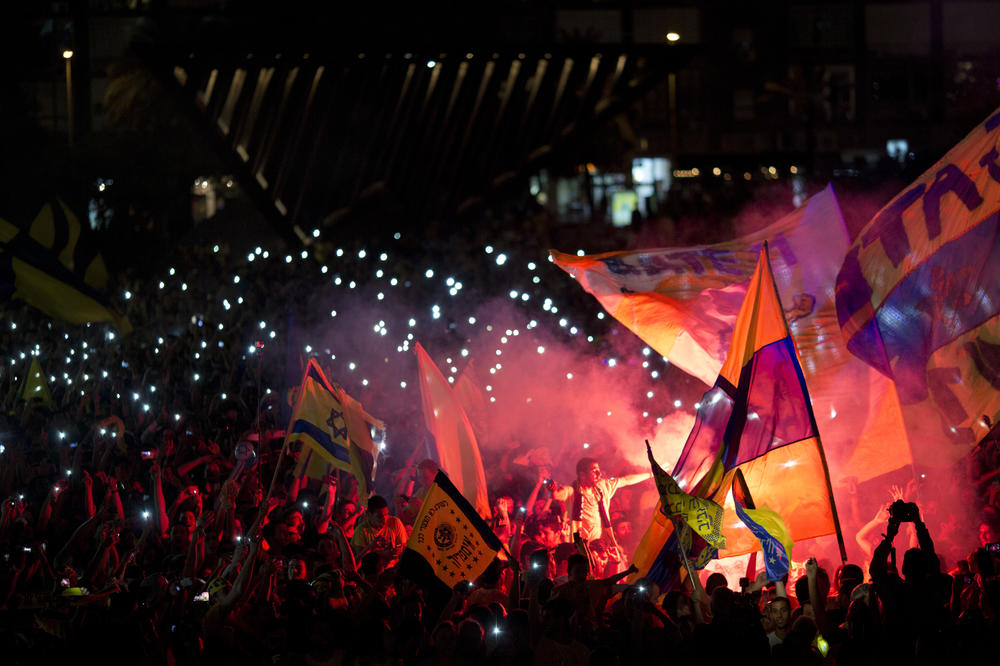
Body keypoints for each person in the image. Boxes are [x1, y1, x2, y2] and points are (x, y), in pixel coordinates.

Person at [559, 457, 650, 544]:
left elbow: (625, 480)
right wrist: (554, 491)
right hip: (582, 545)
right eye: (594, 471)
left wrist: (650, 474)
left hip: (602, 544)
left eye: (599, 470)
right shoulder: (572, 492)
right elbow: (557, 494)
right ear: (582, 475)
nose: (599, 474)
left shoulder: (602, 486)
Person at [350, 495, 407, 569]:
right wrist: (379, 552)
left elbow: (404, 548)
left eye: (386, 514)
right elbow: (359, 562)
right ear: (368, 514)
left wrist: (398, 551)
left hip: (393, 570)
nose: (384, 519)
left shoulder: (395, 523)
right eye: (379, 516)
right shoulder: (361, 530)